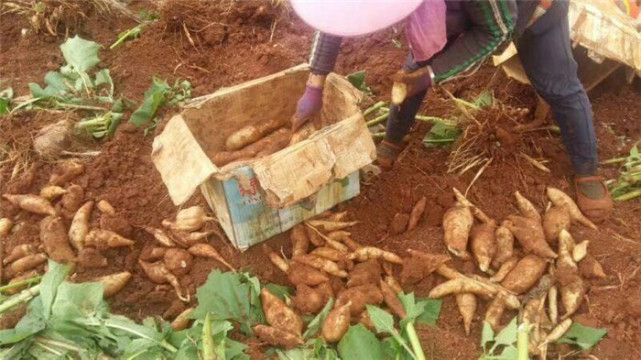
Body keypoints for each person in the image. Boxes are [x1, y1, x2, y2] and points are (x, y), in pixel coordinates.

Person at [290, 0, 613, 222]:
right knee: (415, 67)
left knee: (558, 85)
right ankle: (392, 139)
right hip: (446, 13)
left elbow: (495, 32)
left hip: (529, 9)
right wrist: (314, 85)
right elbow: (335, 17)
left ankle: (588, 168)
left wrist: (432, 76)